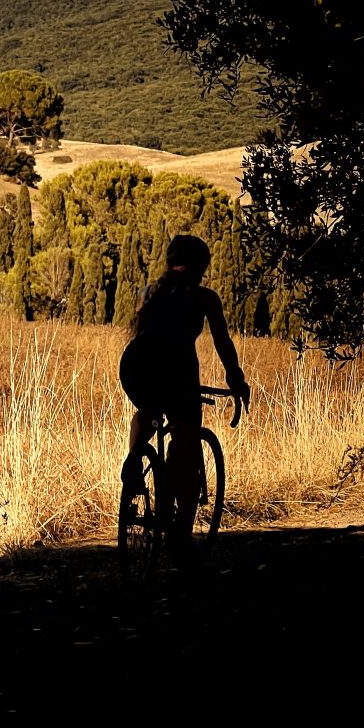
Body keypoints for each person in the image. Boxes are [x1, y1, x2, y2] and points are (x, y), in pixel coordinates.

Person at [118, 233, 250, 559]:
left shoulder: (148, 292)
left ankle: (134, 459)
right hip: (176, 366)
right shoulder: (204, 297)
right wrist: (236, 379)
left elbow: (145, 336)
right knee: (186, 443)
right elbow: (222, 342)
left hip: (135, 364)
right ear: (202, 267)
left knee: (148, 409)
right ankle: (181, 536)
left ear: (169, 262)